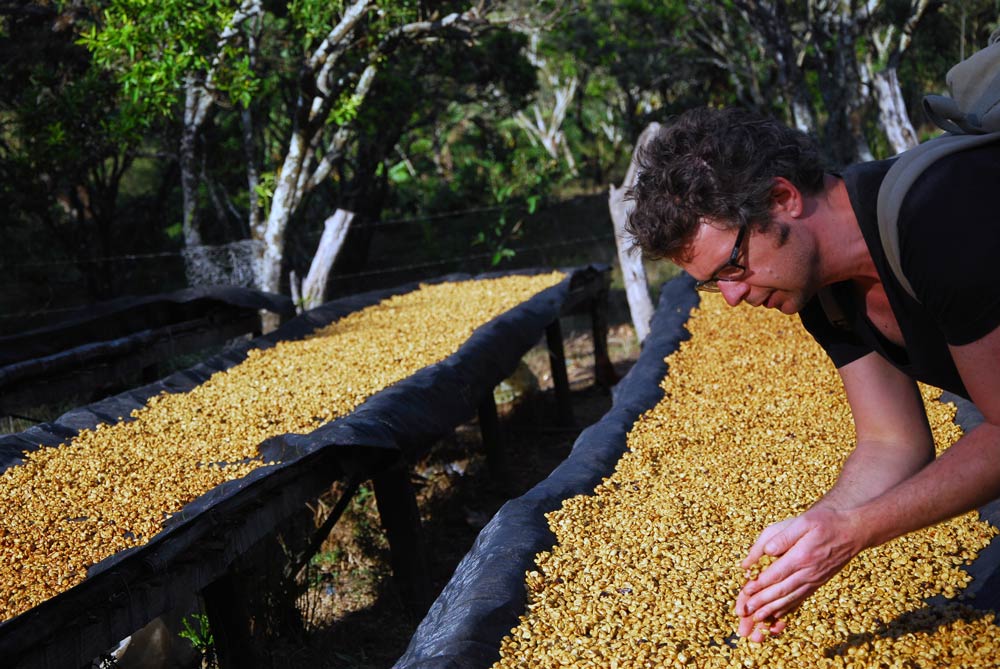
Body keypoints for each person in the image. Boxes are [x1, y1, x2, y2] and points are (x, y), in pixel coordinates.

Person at [626, 106, 1000, 642]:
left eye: (731, 266)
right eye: (713, 284)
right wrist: (813, 533)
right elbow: (891, 441)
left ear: (784, 199)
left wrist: (853, 532)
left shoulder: (934, 218)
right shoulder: (823, 292)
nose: (730, 297)